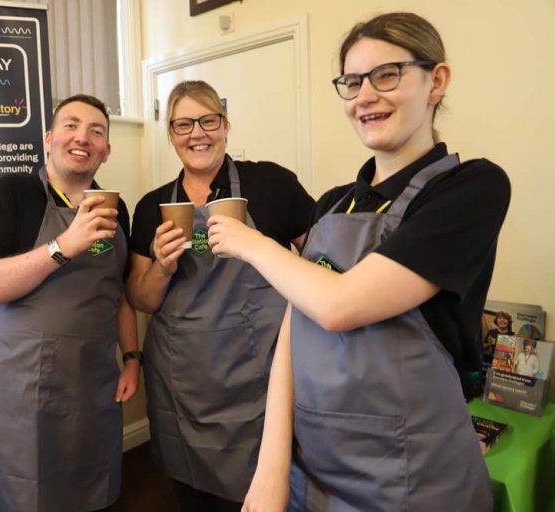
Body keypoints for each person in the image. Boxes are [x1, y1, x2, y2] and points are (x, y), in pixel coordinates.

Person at [207, 12, 510, 511]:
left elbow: (338, 305)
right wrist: (271, 468)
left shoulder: (470, 189)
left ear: (437, 81)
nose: (365, 96)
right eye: (352, 82)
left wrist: (249, 242)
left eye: (386, 75)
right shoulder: (331, 203)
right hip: (315, 474)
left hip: (412, 476)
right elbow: (296, 325)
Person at [127, 80, 314, 510]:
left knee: (269, 490)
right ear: (171, 134)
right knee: (193, 497)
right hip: (183, 384)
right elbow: (143, 300)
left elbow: (319, 263)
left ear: (225, 125)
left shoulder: (271, 183)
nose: (198, 133)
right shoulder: (152, 206)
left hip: (259, 376)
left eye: (208, 120)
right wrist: (163, 264)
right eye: (184, 124)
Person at [0, 94, 141, 512]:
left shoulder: (115, 209)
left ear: (106, 150)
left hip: (92, 385)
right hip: (20, 387)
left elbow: (117, 294)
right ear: (48, 138)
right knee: (29, 495)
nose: (82, 137)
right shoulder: (14, 192)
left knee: (93, 489)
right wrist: (64, 246)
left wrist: (133, 357)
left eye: (96, 131)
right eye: (71, 125)